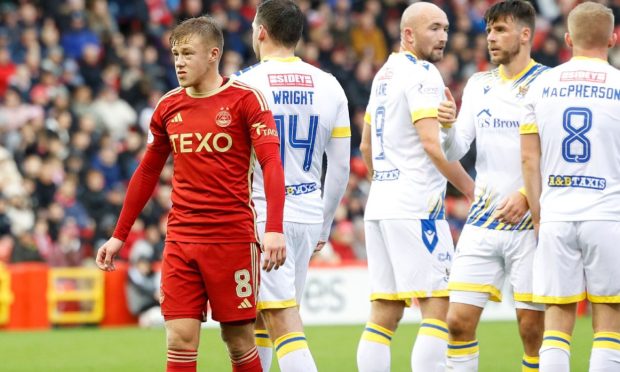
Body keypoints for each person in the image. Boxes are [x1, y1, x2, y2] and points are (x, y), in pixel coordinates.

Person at [95, 16, 286, 372]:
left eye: (187, 53)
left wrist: (273, 227)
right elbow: (148, 171)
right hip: (182, 239)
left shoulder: (246, 100)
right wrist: (119, 235)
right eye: (174, 54)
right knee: (179, 338)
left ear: (213, 55)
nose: (179, 62)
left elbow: (272, 164)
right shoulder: (169, 106)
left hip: (231, 238)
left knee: (239, 339)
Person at [233, 1, 351, 371]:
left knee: (283, 321)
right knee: (265, 316)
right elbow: (342, 166)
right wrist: (326, 223)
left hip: (263, 214)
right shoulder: (329, 85)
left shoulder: (243, 83)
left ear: (261, 32)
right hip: (307, 211)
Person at [357, 3, 475, 371]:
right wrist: (473, 190)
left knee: (385, 313)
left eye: (445, 28)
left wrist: (388, 184)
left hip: (380, 206)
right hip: (416, 208)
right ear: (409, 33)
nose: (443, 36)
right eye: (434, 28)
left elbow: (365, 147)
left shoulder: (385, 74)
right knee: (438, 307)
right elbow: (431, 144)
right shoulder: (423, 74)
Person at [439, 1, 547, 370]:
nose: (491, 38)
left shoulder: (547, 83)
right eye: (488, 31)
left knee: (532, 328)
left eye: (500, 30)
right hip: (483, 221)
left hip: (529, 224)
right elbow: (457, 147)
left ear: (525, 34)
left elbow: (556, 153)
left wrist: (525, 195)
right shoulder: (478, 84)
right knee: (456, 323)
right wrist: (447, 127)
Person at [520, 2, 620, 371]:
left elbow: (530, 159)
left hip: (557, 215)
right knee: (609, 319)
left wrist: (537, 215)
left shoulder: (540, 86)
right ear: (612, 38)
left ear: (567, 38)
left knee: (557, 322)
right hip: (608, 214)